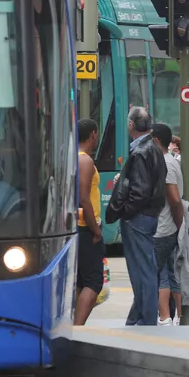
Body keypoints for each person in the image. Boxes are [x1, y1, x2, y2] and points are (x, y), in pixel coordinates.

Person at [105, 107, 166, 326]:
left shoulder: (141, 152)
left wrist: (125, 211)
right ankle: (137, 316)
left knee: (142, 270)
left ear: (131, 126)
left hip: (139, 217)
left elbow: (139, 192)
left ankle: (146, 318)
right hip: (148, 215)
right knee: (143, 268)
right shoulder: (154, 148)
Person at [152, 123, 187, 326]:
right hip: (170, 226)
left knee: (159, 273)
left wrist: (178, 221)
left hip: (163, 228)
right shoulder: (171, 161)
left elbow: (174, 199)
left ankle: (165, 317)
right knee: (172, 272)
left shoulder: (164, 163)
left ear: (156, 141)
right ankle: (178, 317)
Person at [75, 120, 104, 326]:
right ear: (92, 134)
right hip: (85, 227)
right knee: (93, 282)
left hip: (77, 225)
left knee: (80, 280)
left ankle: (72, 325)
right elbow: (84, 198)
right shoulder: (85, 161)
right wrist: (96, 230)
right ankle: (77, 328)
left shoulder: (70, 157)